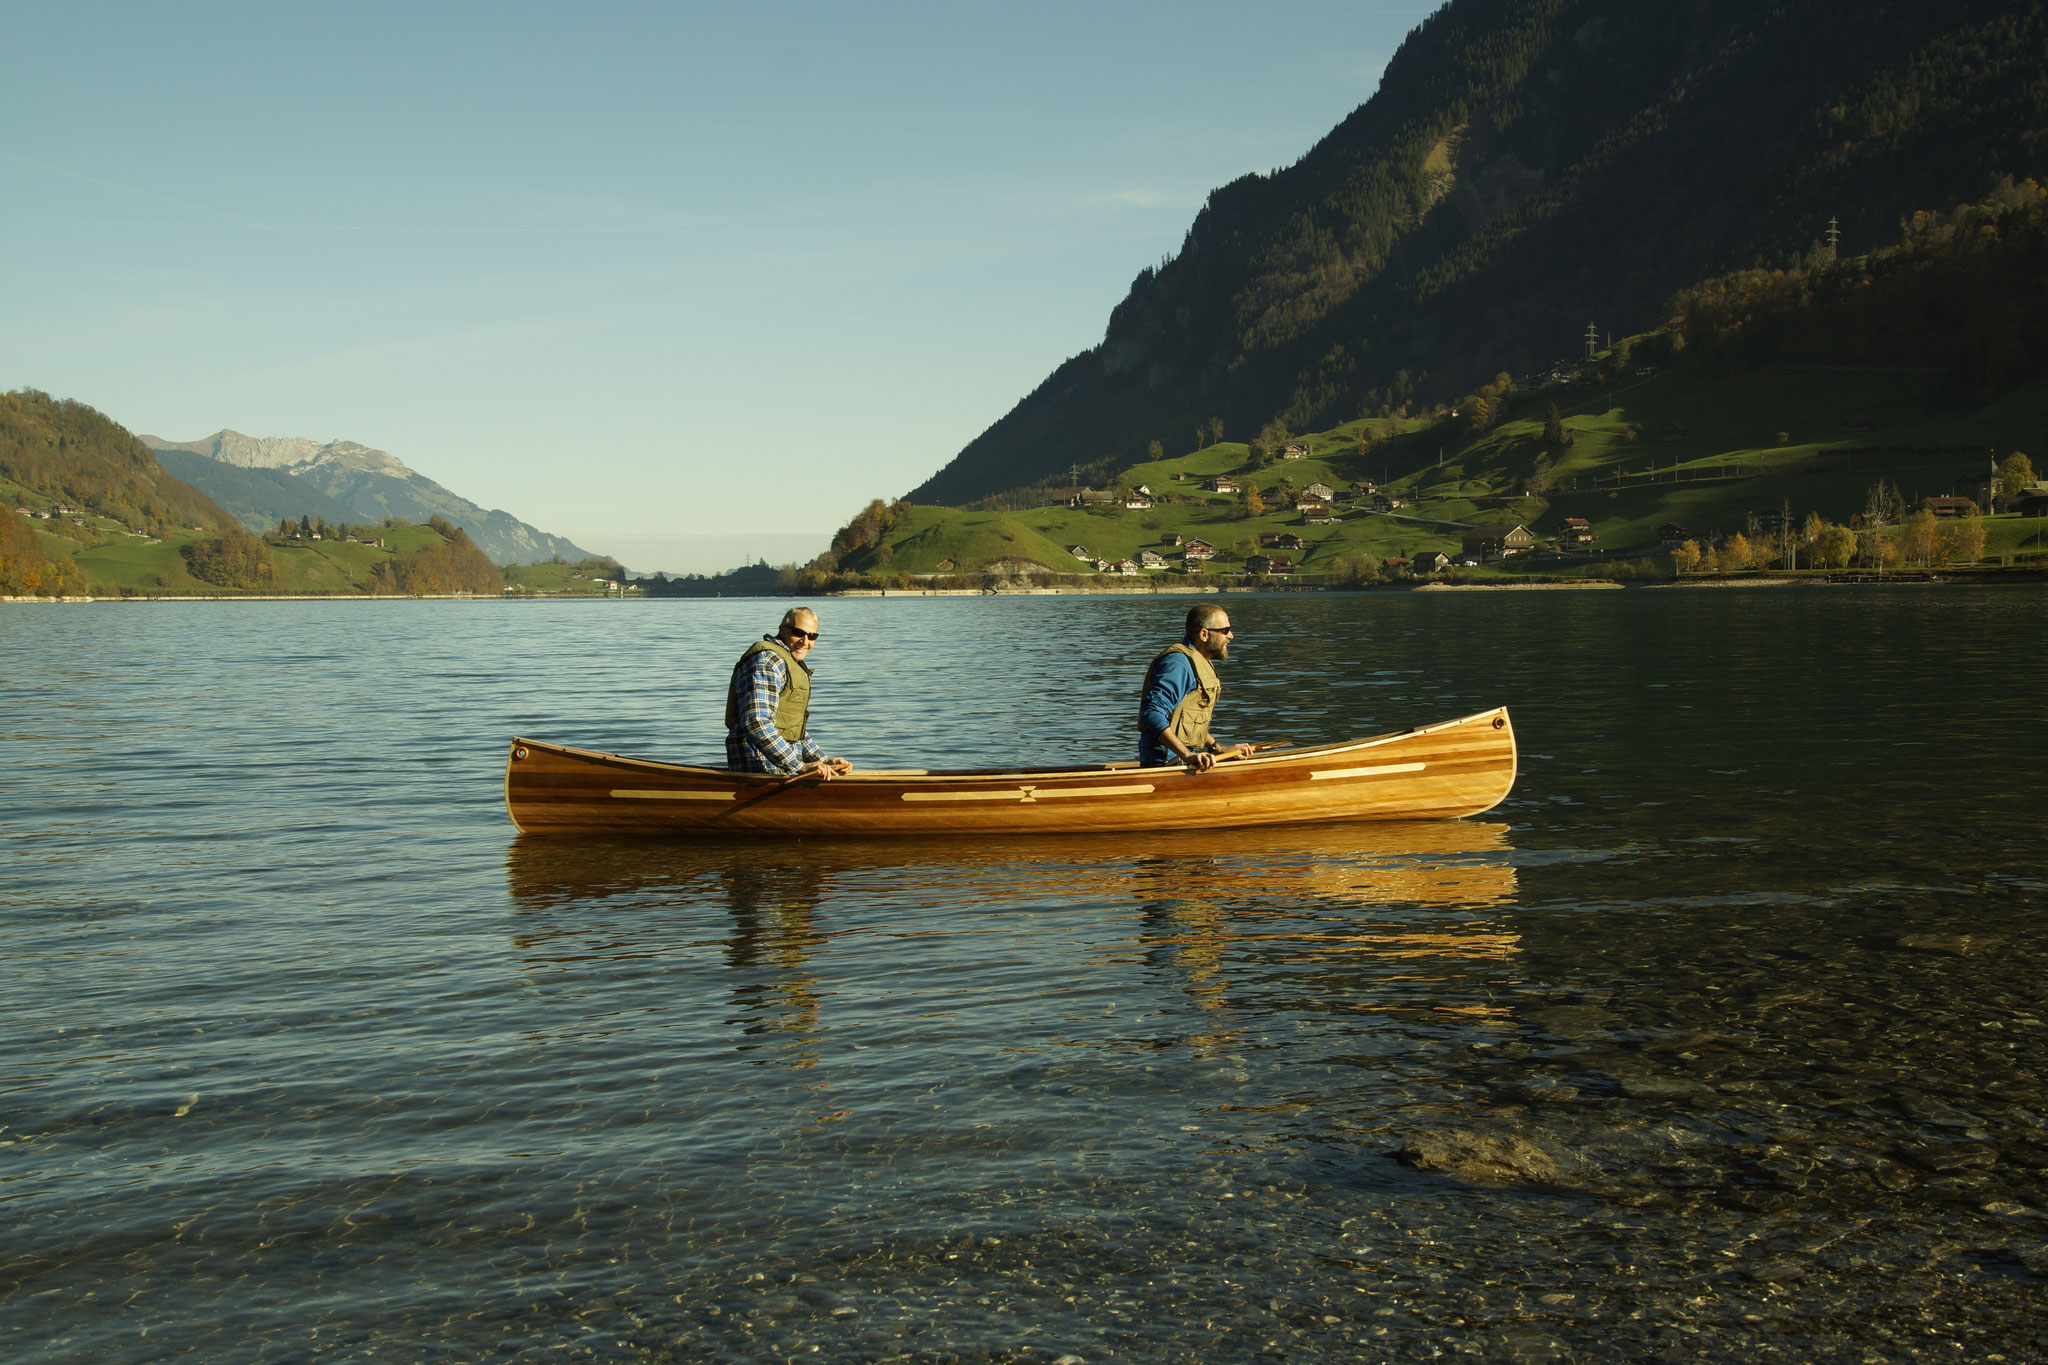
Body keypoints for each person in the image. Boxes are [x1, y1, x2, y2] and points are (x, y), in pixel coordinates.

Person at [725, 607, 853, 779]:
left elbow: (792, 729)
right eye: (798, 633)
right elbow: (756, 722)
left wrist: (822, 761)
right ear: (782, 630)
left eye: (812, 636)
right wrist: (799, 766)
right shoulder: (768, 661)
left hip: (781, 771)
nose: (805, 641)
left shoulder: (789, 662)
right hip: (758, 772)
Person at [1138, 603, 1255, 770]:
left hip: (1178, 762)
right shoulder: (1178, 665)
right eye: (1224, 630)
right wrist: (1187, 755)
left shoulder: (1198, 662)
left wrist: (1218, 749)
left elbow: (1187, 721)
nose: (1231, 636)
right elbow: (1152, 713)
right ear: (1204, 634)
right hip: (1163, 766)